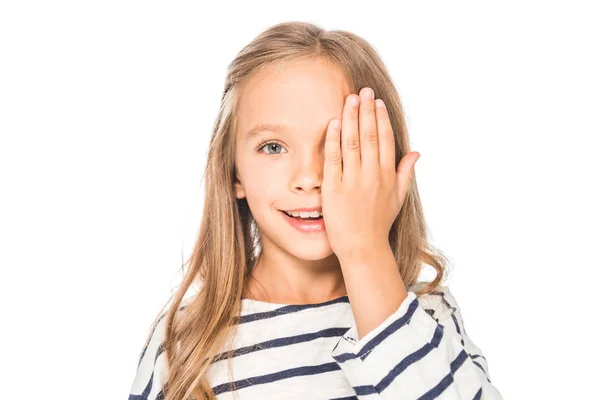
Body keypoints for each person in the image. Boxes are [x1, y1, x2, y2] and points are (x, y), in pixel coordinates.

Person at [128, 21, 504, 400]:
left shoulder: (424, 313)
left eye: (338, 144)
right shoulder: (183, 342)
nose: (308, 178)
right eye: (273, 147)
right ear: (233, 172)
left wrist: (365, 250)